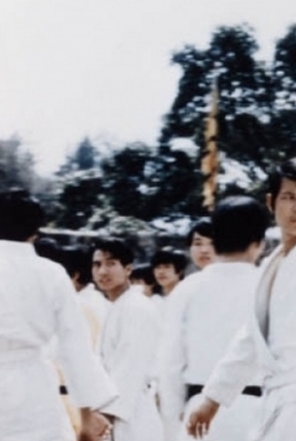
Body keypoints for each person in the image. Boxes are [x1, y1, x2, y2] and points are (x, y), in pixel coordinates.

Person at [187, 157, 296, 441]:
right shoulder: (271, 264)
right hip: (277, 400)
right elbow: (251, 339)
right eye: (289, 197)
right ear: (271, 202)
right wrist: (212, 399)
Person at [0, 189, 117, 441]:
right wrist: (87, 416)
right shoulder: (51, 273)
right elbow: (75, 348)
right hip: (34, 391)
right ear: (35, 232)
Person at [159, 196, 269, 441]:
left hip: (197, 415)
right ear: (259, 243)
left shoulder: (187, 289)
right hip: (257, 414)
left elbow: (170, 364)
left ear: (215, 240)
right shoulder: (269, 286)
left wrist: (172, 421)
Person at [93, 234, 165, 441]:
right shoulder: (118, 306)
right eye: (97, 264)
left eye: (111, 263)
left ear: (128, 269)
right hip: (116, 411)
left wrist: (105, 416)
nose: (102, 271)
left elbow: (131, 366)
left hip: (131, 413)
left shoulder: (137, 307)